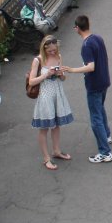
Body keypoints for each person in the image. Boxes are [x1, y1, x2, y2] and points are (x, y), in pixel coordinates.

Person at [64, 15, 112, 163]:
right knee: (100, 109)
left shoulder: (86, 45)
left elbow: (91, 67)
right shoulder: (98, 38)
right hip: (104, 81)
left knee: (95, 118)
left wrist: (71, 70)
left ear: (77, 28)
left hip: (94, 85)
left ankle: (105, 152)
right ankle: (107, 135)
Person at [28, 35, 73, 171]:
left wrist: (61, 74)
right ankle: (46, 158)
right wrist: (46, 75)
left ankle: (56, 151)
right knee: (44, 128)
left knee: (56, 125)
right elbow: (31, 81)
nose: (53, 52)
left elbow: (63, 79)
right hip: (45, 96)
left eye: (55, 50)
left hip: (57, 94)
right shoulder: (38, 60)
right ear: (44, 48)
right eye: (50, 51)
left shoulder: (59, 56)